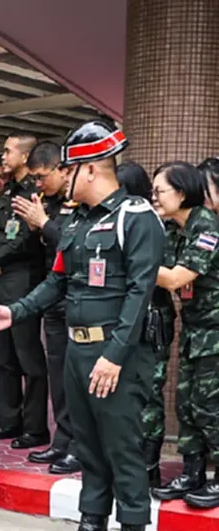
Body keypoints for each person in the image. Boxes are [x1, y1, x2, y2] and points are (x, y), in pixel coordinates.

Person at [0, 120, 163, 531]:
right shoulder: (77, 223)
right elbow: (57, 282)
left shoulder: (136, 217)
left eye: (70, 169)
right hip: (80, 352)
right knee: (89, 451)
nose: (63, 178)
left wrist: (116, 355)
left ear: (93, 168)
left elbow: (141, 292)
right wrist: (13, 312)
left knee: (122, 451)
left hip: (114, 355)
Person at [147, 162, 219, 507]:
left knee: (210, 406)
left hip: (216, 332)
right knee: (188, 404)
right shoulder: (175, 228)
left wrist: (137, 262)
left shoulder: (206, 226)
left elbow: (176, 278)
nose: (155, 197)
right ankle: (191, 472)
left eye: (160, 191)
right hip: (195, 329)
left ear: (182, 191)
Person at [12, 141, 81, 475]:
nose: (38, 184)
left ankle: (77, 445)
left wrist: (44, 224)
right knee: (58, 376)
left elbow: (72, 245)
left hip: (75, 300)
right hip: (52, 297)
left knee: (74, 377)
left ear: (61, 169)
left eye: (41, 177)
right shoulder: (48, 203)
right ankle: (62, 440)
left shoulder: (77, 203)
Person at [0, 133, 49, 450]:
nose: (3, 155)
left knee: (28, 358)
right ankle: (9, 422)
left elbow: (21, 241)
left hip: (22, 280)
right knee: (2, 356)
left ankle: (35, 428)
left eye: (8, 151)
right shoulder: (7, 190)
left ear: (25, 156)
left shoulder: (32, 192)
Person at [116, 162, 169, 487]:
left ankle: (148, 470)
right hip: (127, 323)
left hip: (150, 323)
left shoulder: (149, 223)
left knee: (149, 398)